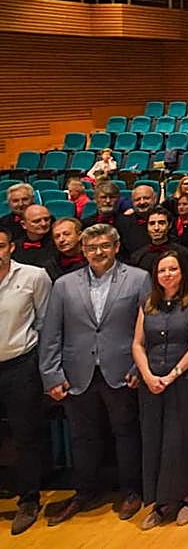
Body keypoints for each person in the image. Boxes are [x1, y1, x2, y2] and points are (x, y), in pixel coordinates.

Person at [39, 223, 152, 525]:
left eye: (104, 246)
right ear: (83, 250)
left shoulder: (139, 279)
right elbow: (51, 332)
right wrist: (51, 375)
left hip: (123, 371)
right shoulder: (63, 285)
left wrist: (138, 368)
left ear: (116, 247)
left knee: (126, 433)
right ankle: (84, 492)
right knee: (82, 437)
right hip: (77, 373)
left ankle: (131, 490)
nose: (98, 252)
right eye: (91, 247)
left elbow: (150, 328)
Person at [131, 251, 188, 529]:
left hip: (186, 381)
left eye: (172, 269)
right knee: (154, 441)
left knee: (181, 441)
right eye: (162, 270)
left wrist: (174, 373)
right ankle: (160, 503)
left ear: (182, 271)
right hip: (151, 383)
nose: (167, 274)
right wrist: (148, 375)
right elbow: (138, 344)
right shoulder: (148, 302)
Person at [0, 229, 52, 534]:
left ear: (11, 247)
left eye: (1, 246)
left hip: (21, 364)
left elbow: (45, 322)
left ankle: (29, 498)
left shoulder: (34, 276)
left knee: (25, 434)